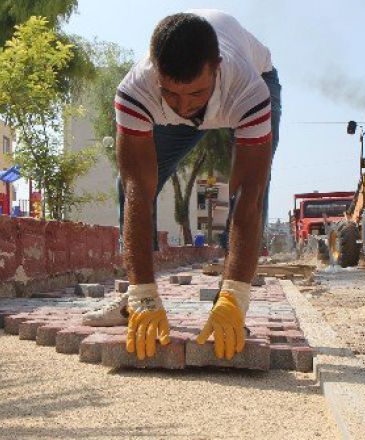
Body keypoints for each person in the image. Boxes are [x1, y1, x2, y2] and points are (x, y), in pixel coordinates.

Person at [83, 10, 282, 361]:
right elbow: (137, 190)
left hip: (252, 83)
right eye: (172, 94)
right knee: (129, 184)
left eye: (196, 94)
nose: (185, 107)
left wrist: (235, 294)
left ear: (216, 68)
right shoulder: (137, 90)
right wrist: (144, 290)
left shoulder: (250, 90)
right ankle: (136, 298)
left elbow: (248, 197)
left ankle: (230, 303)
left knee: (253, 189)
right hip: (177, 101)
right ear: (155, 72)